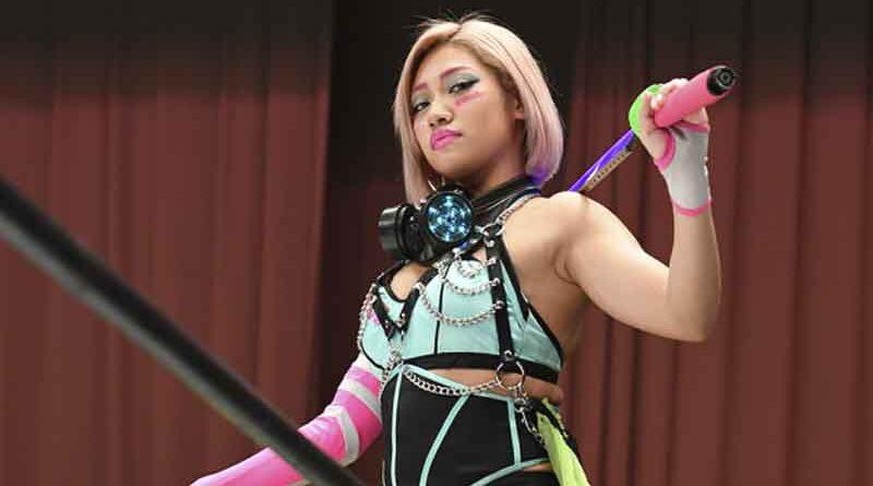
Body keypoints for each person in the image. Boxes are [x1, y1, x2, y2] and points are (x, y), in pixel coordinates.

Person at [192, 14, 721, 486]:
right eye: (420, 104)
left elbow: (686, 313)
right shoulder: (406, 279)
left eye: (460, 87)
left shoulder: (559, 222)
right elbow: (342, 431)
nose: (436, 114)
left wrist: (685, 174)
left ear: (518, 101)